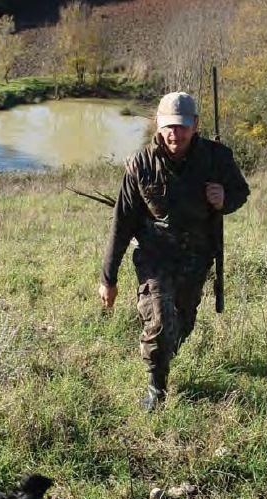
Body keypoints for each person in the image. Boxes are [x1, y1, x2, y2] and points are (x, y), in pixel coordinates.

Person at [98, 91, 250, 411]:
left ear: (195, 125)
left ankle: (167, 351)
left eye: (181, 126)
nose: (174, 133)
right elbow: (121, 224)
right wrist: (108, 279)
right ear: (158, 124)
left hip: (196, 258)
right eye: (168, 126)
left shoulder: (216, 158)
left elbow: (241, 191)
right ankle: (157, 388)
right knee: (160, 321)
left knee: (182, 325)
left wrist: (225, 198)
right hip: (155, 257)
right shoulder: (140, 165)